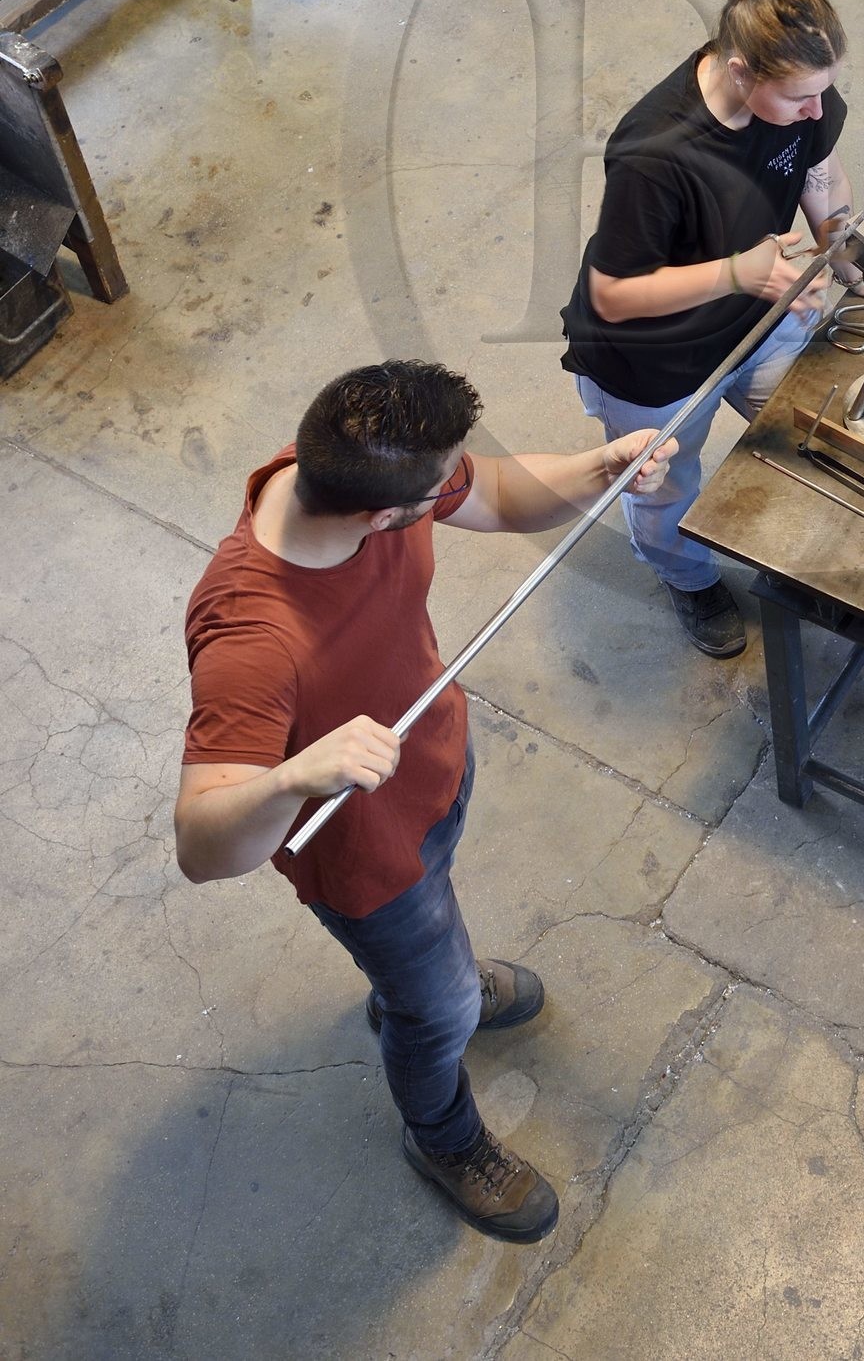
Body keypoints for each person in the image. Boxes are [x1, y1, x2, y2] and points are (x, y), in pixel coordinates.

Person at [174, 360, 673, 1241]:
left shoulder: (355, 466)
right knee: (433, 1013)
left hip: (430, 768)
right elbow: (201, 849)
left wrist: (598, 468)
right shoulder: (249, 637)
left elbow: (501, 494)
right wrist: (293, 776)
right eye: (438, 484)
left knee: (435, 947)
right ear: (382, 518)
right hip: (366, 854)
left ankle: (434, 979)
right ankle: (442, 1137)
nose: (453, 486)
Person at [562, 0, 861, 660]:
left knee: (818, 428)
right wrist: (739, 274)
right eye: (799, 98)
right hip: (654, 364)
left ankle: (803, 556)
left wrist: (848, 249)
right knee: (667, 485)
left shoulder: (801, 93)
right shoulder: (657, 153)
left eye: (822, 92)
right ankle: (688, 577)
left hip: (759, 318)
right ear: (739, 71)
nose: (816, 109)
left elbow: (819, 169)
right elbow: (613, 295)